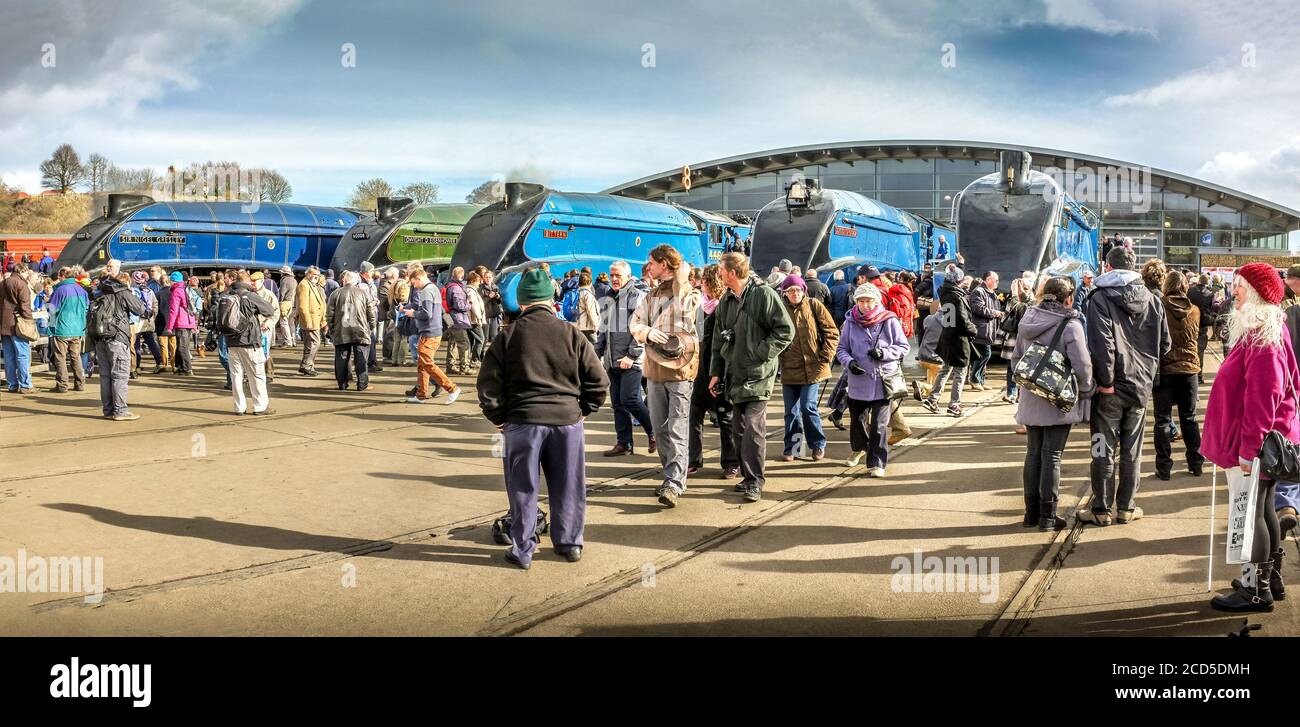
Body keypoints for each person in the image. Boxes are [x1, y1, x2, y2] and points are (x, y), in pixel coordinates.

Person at [477, 266, 608, 569]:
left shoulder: (507, 337)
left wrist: (499, 418)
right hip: (566, 422)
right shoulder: (572, 333)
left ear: (521, 302)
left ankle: (523, 550)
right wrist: (584, 410)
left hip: (522, 421)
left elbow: (487, 386)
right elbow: (599, 382)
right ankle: (570, 544)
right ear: (551, 300)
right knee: (569, 485)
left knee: (523, 487)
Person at [1202, 263, 1298, 612]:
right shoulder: (1266, 328)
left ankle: (1255, 590)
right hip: (1267, 440)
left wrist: (1248, 449)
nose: (1234, 292)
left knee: (1253, 514)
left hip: (1258, 443)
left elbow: (1263, 397)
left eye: (1239, 286)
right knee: (1265, 509)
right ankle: (1269, 579)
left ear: (1256, 292)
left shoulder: (1262, 335)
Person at [1080, 246, 1170, 526]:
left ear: (1108, 267)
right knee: (1132, 450)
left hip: (1111, 388)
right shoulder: (1154, 300)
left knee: (1101, 448)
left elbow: (1101, 344)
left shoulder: (1099, 297)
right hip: (1140, 388)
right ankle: (1126, 508)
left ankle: (1101, 509)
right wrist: (1147, 372)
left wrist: (1105, 382)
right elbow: (1165, 344)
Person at [710, 252, 795, 502]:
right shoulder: (726, 301)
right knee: (739, 429)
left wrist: (759, 353)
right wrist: (716, 371)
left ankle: (755, 481)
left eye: (721, 270)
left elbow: (785, 331)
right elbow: (717, 339)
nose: (719, 274)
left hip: (759, 374)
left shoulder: (764, 295)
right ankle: (748, 478)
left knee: (752, 429)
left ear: (732, 273)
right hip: (735, 374)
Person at [1012, 277, 1094, 531]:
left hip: (1031, 397)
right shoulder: (1070, 324)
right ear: (1068, 298)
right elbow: (1083, 365)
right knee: (1053, 456)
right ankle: (1048, 517)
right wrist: (1085, 389)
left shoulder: (1028, 320)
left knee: (1033, 453)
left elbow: (1016, 360)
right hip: (1058, 400)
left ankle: (1031, 513)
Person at [630, 245, 700, 507]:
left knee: (677, 427)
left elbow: (687, 311)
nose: (649, 267)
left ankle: (674, 483)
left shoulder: (689, 293)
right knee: (660, 429)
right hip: (654, 369)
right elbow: (635, 323)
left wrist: (682, 276)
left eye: (652, 263)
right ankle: (669, 476)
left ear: (665, 264)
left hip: (681, 369)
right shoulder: (649, 296)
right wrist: (647, 332)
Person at [836, 283, 909, 474]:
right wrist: (849, 362)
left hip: (882, 381)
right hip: (858, 382)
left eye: (868, 301)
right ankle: (861, 448)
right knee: (857, 423)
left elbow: (903, 347)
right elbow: (841, 349)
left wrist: (884, 352)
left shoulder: (888, 320)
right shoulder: (850, 322)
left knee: (879, 425)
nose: (865, 305)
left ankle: (877, 463)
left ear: (876, 301)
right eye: (861, 301)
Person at [596, 260, 655, 456]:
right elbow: (603, 330)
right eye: (611, 275)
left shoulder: (637, 296)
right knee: (617, 404)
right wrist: (597, 353)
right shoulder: (609, 297)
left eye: (617, 275)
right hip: (613, 359)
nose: (614, 278)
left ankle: (653, 432)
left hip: (631, 360)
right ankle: (624, 443)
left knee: (630, 399)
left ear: (628, 276)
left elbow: (641, 329)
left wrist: (632, 355)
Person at [777, 273, 838, 461]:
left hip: (814, 367)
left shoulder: (814, 305)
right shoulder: (780, 310)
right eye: (790, 290)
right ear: (784, 293)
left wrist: (825, 356)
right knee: (791, 411)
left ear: (803, 290)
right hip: (789, 368)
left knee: (807, 407)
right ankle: (794, 448)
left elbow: (832, 332)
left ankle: (817, 444)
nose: (794, 293)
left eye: (797, 290)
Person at [1152, 272, 1204, 481]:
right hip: (1189, 370)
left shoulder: (1158, 308)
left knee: (1162, 421)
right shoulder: (1195, 310)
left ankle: (1164, 467)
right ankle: (1196, 463)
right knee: (1189, 418)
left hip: (1165, 370)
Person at [689, 264, 739, 478]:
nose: (701, 286)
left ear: (710, 283)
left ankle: (730, 462)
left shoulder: (726, 307)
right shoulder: (701, 307)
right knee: (694, 415)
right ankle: (693, 459)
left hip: (719, 370)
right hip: (700, 371)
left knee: (725, 418)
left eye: (704, 283)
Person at [90, 271, 146, 420]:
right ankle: (120, 411)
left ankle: (108, 410)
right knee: (120, 375)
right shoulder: (122, 292)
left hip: (100, 338)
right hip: (118, 337)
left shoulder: (100, 292)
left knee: (105, 376)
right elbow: (141, 309)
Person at [922, 265, 976, 417]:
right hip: (959, 339)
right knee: (960, 372)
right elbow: (962, 321)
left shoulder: (945, 292)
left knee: (946, 368)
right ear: (959, 281)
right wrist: (973, 329)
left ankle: (932, 398)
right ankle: (954, 404)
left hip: (947, 336)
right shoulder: (957, 297)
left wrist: (956, 267)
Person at [223, 271, 278, 415]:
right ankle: (260, 406)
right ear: (247, 283)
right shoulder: (251, 296)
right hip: (249, 341)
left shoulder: (227, 295)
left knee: (236, 376)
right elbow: (269, 310)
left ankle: (239, 407)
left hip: (231, 341)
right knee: (257, 374)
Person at [404, 268, 461, 404]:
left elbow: (426, 313)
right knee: (423, 364)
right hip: (434, 331)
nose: (414, 286)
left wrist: (413, 314)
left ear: (418, 279)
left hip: (429, 332)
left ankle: (452, 388)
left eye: (413, 283)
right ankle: (421, 395)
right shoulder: (433, 288)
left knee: (427, 364)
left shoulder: (425, 291)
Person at [327, 270, 377, 391]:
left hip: (341, 330)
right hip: (360, 330)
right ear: (356, 281)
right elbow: (371, 313)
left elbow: (329, 315)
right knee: (361, 359)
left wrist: (333, 330)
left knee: (341, 358)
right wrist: (371, 327)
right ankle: (362, 384)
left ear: (344, 280)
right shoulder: (363, 293)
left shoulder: (335, 294)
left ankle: (342, 384)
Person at [45, 267, 88, 393]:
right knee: (76, 356)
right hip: (78, 328)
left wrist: (51, 327)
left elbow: (52, 310)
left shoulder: (60, 290)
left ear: (62, 276)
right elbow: (86, 308)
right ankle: (80, 383)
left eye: (59, 276)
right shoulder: (81, 290)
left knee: (60, 357)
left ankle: (62, 385)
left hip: (62, 329)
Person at [0, 263, 37, 393]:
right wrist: (30, 322)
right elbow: (25, 307)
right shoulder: (22, 284)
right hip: (18, 324)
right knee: (22, 355)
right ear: (23, 271)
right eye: (27, 273)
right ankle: (25, 385)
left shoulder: (3, 283)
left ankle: (12, 385)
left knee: (9, 356)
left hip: (4, 324)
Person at [1000, 275, 1034, 405]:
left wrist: (1015, 295)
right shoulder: (1014, 299)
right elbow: (1009, 311)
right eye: (1023, 287)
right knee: (1011, 367)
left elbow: (1020, 310)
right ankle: (1011, 393)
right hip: (1014, 337)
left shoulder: (1033, 300)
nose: (1024, 290)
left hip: (1024, 338)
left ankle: (1021, 394)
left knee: (1024, 367)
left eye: (1026, 288)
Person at [967, 271, 1003, 391]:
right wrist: (995, 313)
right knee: (984, 355)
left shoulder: (991, 292)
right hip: (981, 329)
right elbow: (978, 308)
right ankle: (974, 379)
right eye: (995, 280)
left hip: (989, 328)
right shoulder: (978, 291)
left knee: (984, 355)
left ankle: (980, 380)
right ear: (988, 280)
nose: (997, 282)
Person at [163, 271, 197, 375]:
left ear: (172, 281)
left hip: (181, 322)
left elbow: (173, 310)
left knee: (182, 347)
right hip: (188, 321)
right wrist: (194, 324)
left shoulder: (176, 291)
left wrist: (169, 326)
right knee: (182, 345)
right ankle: (180, 367)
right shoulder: (185, 289)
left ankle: (187, 369)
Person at [296, 266, 326, 376]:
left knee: (310, 344)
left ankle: (308, 366)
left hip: (316, 320)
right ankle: (306, 365)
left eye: (318, 275)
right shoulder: (304, 285)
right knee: (314, 343)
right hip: (310, 321)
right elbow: (303, 306)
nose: (316, 277)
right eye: (314, 275)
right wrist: (308, 320)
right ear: (308, 274)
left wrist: (323, 321)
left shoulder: (312, 285)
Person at [443, 266, 473, 375]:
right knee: (464, 343)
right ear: (461, 275)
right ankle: (464, 367)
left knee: (453, 342)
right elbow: (460, 306)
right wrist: (469, 304)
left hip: (451, 318)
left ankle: (450, 365)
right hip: (458, 319)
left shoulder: (450, 285)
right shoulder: (456, 288)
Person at [251, 272, 280, 383]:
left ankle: (269, 373)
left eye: (255, 281)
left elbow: (276, 313)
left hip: (265, 328)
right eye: (252, 281)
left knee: (265, 351)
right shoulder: (249, 294)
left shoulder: (269, 295)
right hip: (252, 328)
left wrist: (267, 324)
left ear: (262, 281)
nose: (253, 283)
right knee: (252, 352)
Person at [573, 270, 601, 345]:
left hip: (577, 325)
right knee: (592, 350)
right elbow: (591, 310)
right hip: (588, 327)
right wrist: (595, 324)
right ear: (590, 283)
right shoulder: (587, 295)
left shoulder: (576, 293)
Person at [276, 266, 297, 348]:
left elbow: (282, 293)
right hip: (293, 303)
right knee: (291, 323)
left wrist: (280, 302)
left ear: (283, 273)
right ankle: (293, 339)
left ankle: (287, 341)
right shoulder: (294, 280)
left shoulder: (284, 280)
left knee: (283, 322)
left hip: (285, 302)